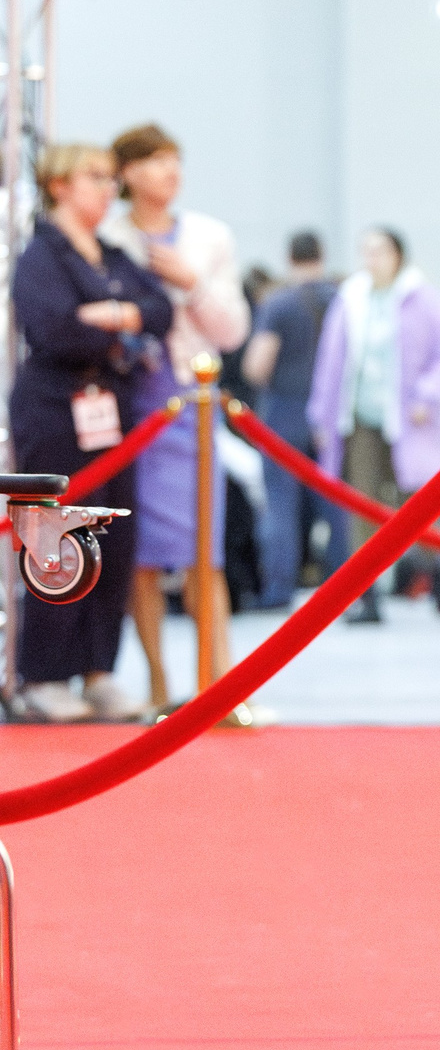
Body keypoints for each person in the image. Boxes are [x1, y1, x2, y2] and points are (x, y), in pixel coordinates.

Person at [8, 145, 174, 722]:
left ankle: (99, 668)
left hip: (112, 410)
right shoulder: (41, 256)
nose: (107, 190)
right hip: (55, 408)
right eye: (94, 178)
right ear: (59, 185)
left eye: (109, 179)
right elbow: (53, 330)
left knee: (113, 542)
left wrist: (115, 315)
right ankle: (46, 673)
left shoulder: (110, 256)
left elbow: (158, 310)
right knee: (57, 542)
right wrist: (110, 322)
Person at [101, 123, 251, 713]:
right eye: (157, 161)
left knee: (204, 551)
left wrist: (190, 285)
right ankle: (159, 686)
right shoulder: (108, 238)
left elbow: (234, 330)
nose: (170, 172)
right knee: (140, 553)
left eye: (175, 161)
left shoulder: (209, 237)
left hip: (191, 400)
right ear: (128, 172)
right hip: (130, 403)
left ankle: (219, 684)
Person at [304, 227, 440, 625]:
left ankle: (439, 571)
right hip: (359, 418)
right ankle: (368, 595)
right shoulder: (350, 300)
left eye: (379, 250)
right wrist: (322, 415)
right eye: (366, 250)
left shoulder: (423, 299)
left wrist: (428, 395)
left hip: (411, 421)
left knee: (418, 504)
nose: (371, 258)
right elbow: (331, 362)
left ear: (397, 255)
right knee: (361, 505)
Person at [243, 231, 346, 608]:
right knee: (337, 503)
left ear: (290, 257)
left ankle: (278, 590)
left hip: (285, 412)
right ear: (322, 254)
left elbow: (257, 365)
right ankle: (344, 587)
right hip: (333, 415)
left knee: (280, 504)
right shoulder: (341, 301)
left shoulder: (279, 304)